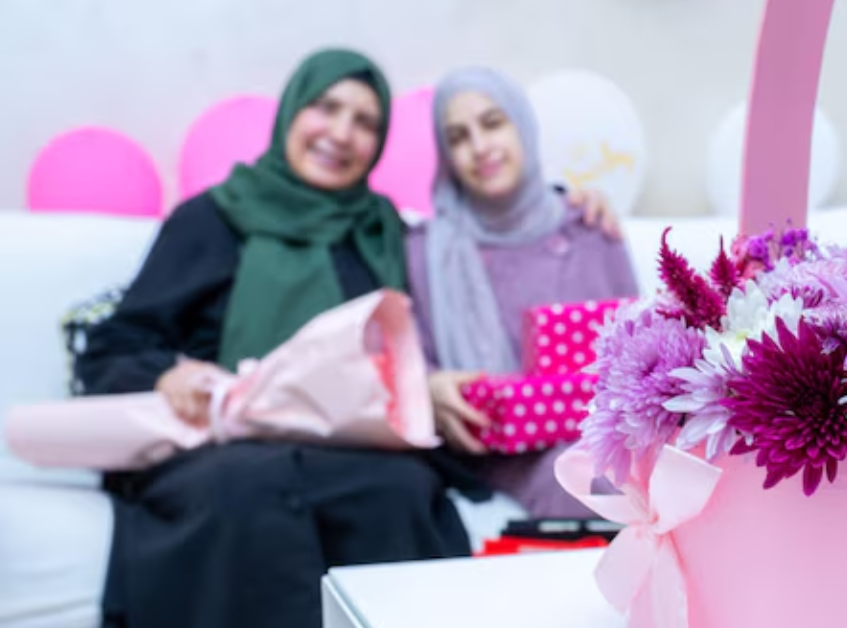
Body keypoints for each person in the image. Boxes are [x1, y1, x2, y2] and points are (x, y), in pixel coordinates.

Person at [77, 49, 485, 628]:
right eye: (327, 107)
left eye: (365, 122)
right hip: (221, 445)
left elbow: (481, 246)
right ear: (293, 111)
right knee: (240, 491)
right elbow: (115, 345)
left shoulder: (380, 229)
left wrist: (567, 203)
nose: (342, 133)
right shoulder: (210, 218)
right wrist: (169, 374)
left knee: (401, 492)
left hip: (355, 448)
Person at [406, 67, 639, 518]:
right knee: (597, 481)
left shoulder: (589, 227)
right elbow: (414, 363)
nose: (479, 147)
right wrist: (429, 388)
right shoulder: (425, 252)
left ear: (522, 127)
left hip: (609, 437)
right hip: (501, 458)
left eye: (493, 123)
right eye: (457, 137)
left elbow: (642, 349)